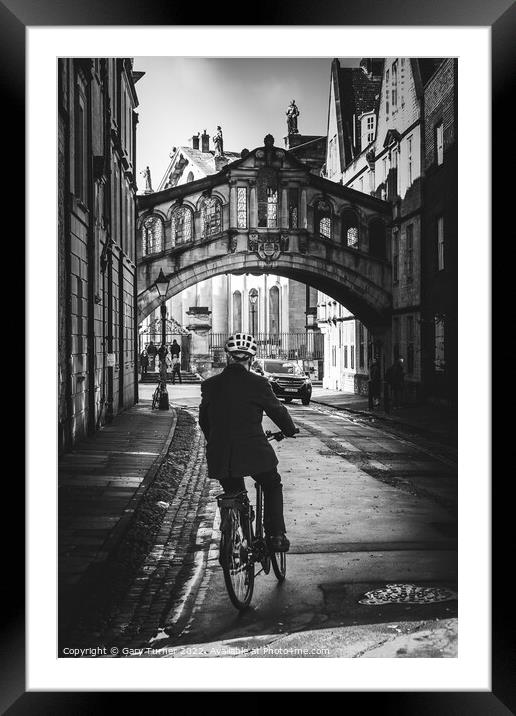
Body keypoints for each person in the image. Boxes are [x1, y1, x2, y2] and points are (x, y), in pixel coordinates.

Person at [199, 333, 297, 552]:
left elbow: (204, 420)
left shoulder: (211, 385)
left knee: (233, 489)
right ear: (251, 359)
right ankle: (276, 535)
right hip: (254, 452)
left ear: (227, 357)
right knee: (272, 484)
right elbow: (278, 411)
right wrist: (289, 430)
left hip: (220, 454)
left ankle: (240, 519)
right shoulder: (259, 383)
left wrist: (214, 440)